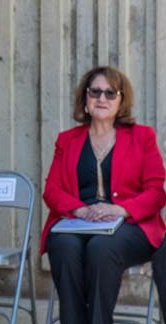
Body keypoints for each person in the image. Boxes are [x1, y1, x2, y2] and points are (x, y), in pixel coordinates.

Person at [41, 66, 166, 324]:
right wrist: (80, 210)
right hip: (78, 221)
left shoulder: (142, 137)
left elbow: (156, 193)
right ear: (85, 99)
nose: (102, 99)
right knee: (63, 246)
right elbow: (52, 190)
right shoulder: (67, 140)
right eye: (95, 92)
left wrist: (121, 209)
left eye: (110, 93)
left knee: (102, 248)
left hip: (129, 224)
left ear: (121, 101)